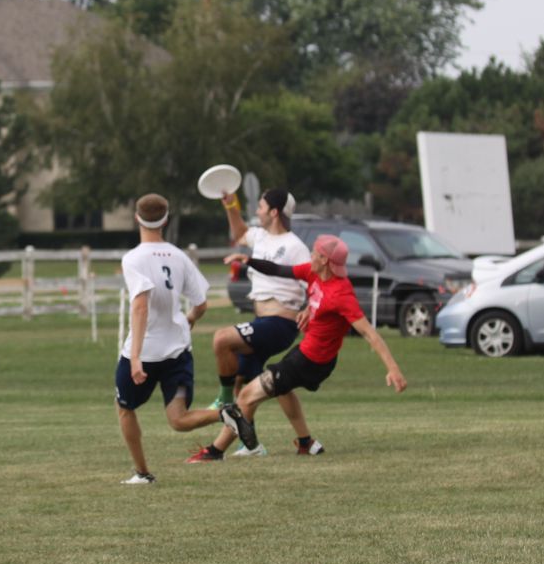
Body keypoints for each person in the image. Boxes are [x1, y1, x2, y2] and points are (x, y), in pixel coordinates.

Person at [190, 234, 407, 462]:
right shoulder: (313, 273)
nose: (310, 255)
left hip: (310, 362)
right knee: (283, 390)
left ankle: (216, 451)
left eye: (315, 252)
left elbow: (369, 332)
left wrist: (393, 369)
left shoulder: (341, 293)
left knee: (246, 396)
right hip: (305, 354)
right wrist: (249, 261)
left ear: (324, 260)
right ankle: (306, 443)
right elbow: (278, 270)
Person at [115, 193, 224, 485]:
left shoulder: (133, 258)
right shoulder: (179, 256)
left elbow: (140, 306)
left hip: (146, 352)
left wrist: (135, 357)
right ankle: (225, 414)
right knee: (178, 418)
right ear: (166, 220)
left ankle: (142, 473)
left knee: (125, 408)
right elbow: (201, 304)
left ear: (137, 218)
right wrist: (190, 319)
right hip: (177, 350)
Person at [204, 187, 318, 457]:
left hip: (280, 324)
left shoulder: (295, 246)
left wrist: (309, 310)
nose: (257, 211)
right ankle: (251, 444)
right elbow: (239, 233)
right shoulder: (260, 236)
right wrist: (230, 205)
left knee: (222, 339)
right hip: (262, 321)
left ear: (274, 212)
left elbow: (314, 283)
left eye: (261, 207)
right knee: (250, 381)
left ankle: (223, 401)